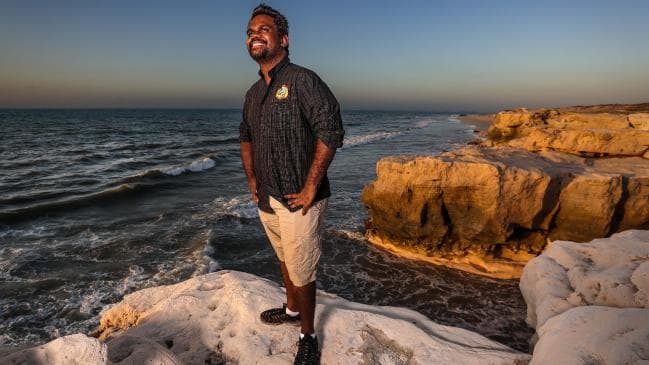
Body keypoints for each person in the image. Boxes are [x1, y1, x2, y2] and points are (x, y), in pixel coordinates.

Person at [239, 3, 344, 365]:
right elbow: (246, 136)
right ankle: (291, 309)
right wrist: (252, 179)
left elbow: (331, 130)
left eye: (263, 29)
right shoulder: (253, 93)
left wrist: (312, 185)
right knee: (284, 259)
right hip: (267, 196)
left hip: (300, 198)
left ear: (283, 39)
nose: (254, 34)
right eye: (251, 30)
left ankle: (308, 335)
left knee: (302, 268)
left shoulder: (302, 80)